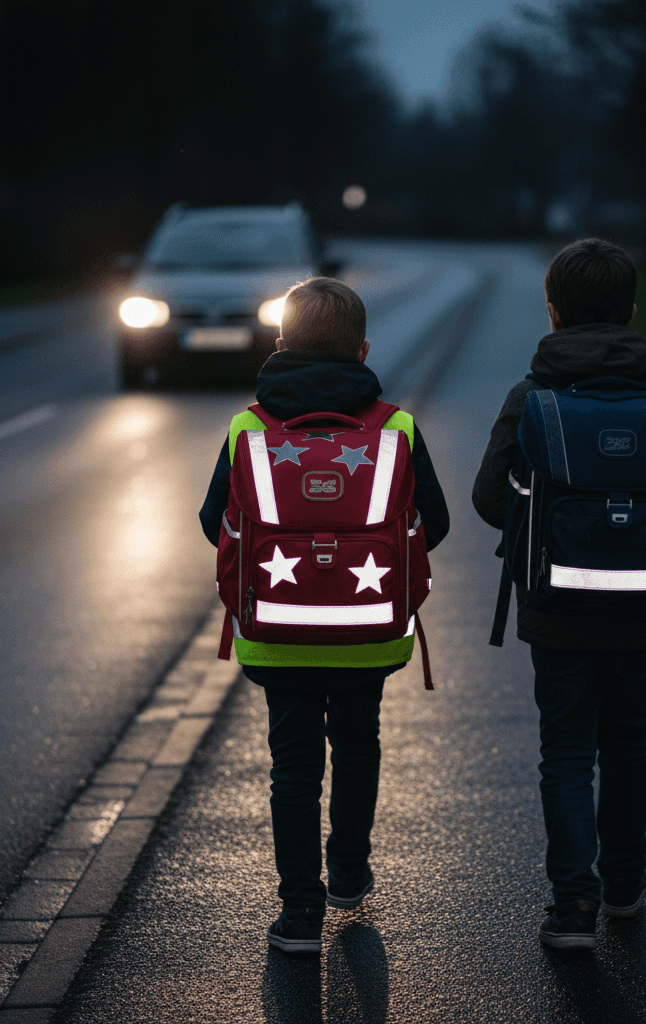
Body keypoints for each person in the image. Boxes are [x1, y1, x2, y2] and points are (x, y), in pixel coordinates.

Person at [471, 239, 646, 950]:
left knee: (565, 753)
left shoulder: (532, 399)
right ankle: (625, 886)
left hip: (555, 611)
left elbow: (490, 500)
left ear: (552, 312)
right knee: (627, 743)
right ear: (632, 313)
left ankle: (573, 908)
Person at [200, 277, 449, 954]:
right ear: (363, 349)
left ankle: (300, 915)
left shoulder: (248, 426)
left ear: (280, 344)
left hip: (277, 632)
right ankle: (348, 871)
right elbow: (440, 524)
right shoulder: (396, 425)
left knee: (293, 766)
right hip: (367, 631)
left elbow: (209, 523)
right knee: (358, 743)